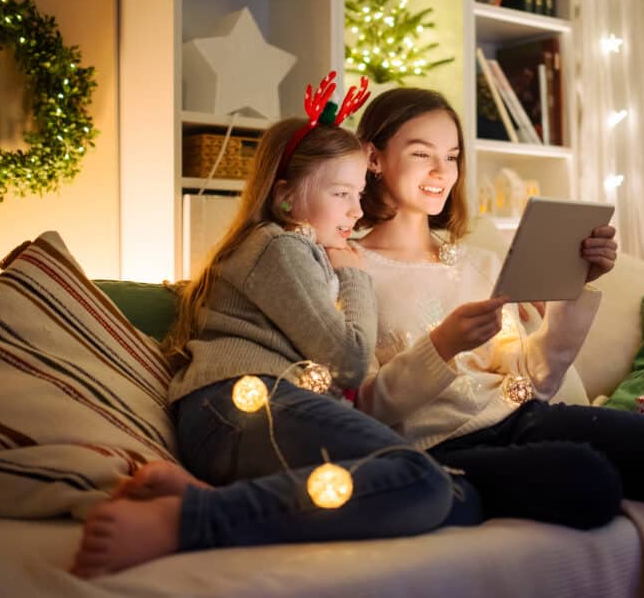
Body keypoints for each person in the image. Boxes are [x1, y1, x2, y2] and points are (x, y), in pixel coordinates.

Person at [71, 74, 478, 578]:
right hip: (241, 403)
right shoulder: (278, 246)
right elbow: (349, 361)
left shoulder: (303, 252)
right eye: (340, 193)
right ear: (285, 197)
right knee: (422, 481)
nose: (356, 211)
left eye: (357, 193)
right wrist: (356, 275)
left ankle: (211, 496)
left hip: (262, 414)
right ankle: (188, 520)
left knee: (461, 499)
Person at [352, 87, 644, 530]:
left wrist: (573, 284)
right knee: (590, 484)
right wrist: (441, 345)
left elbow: (536, 379)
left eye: (451, 157)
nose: (441, 172)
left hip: (521, 416)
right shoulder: (350, 269)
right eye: (421, 154)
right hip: (439, 444)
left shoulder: (478, 263)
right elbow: (363, 407)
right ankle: (458, 486)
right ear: (373, 158)